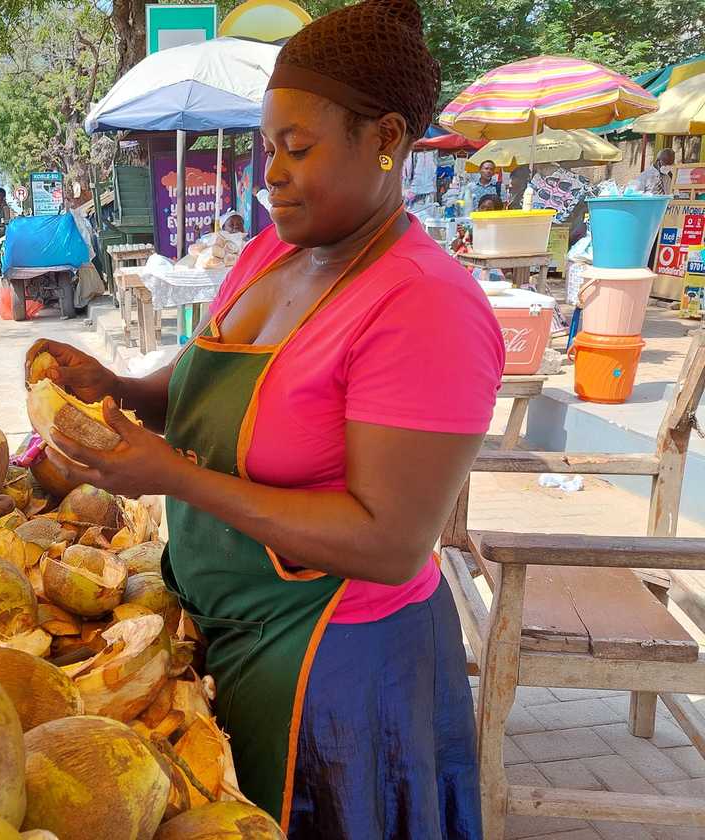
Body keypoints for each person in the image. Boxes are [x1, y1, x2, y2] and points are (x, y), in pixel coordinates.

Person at [25, 1, 502, 836]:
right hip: (234, 630)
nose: (270, 175)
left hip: (340, 671)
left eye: (299, 149)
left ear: (386, 138)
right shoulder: (272, 249)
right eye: (266, 147)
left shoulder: (426, 305)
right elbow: (204, 382)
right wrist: (121, 386)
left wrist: (173, 477)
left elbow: (390, 541)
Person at [0, 187, 14, 265]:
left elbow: (6, 227)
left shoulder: (6, 209)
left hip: (3, 244)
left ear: (3, 198)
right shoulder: (1, 209)